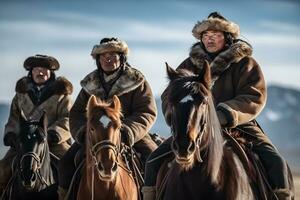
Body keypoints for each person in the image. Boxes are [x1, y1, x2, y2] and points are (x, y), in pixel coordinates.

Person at [142, 12, 291, 200]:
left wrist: (223, 114)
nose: (210, 39)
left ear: (227, 37)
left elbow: (254, 96)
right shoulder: (189, 64)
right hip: (193, 126)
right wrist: (178, 116)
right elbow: (168, 96)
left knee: (276, 162)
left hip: (238, 125)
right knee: (152, 162)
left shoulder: (245, 63)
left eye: (216, 35)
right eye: (205, 36)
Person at [58, 37, 158, 199]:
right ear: (98, 60)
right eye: (103, 56)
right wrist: (83, 132)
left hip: (128, 132)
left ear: (122, 57)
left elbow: (147, 111)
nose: (108, 59)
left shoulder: (137, 81)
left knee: (154, 159)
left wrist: (128, 130)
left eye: (113, 55)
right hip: (96, 135)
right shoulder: (89, 84)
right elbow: (76, 113)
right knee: (65, 163)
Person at [0, 54, 73, 195]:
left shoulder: (62, 95)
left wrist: (53, 134)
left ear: (51, 72)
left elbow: (67, 118)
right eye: (36, 69)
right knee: (2, 169)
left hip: (54, 142)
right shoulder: (21, 95)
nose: (40, 72)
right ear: (31, 72)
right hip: (25, 142)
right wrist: (11, 135)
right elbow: (14, 117)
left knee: (70, 168)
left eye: (44, 69)